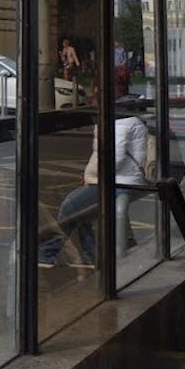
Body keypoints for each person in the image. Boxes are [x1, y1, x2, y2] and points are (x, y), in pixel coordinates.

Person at [38, 114, 149, 269]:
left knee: (71, 206)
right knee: (82, 211)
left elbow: (111, 158)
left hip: (118, 182)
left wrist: (91, 175)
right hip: (116, 179)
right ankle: (92, 255)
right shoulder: (118, 120)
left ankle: (47, 253)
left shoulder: (121, 122)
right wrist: (90, 175)